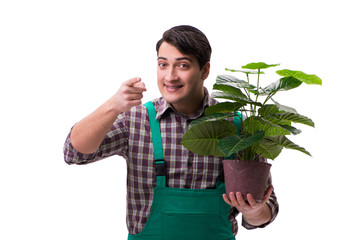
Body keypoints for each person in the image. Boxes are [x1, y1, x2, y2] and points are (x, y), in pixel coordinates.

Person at [64, 25, 279, 240]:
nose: (170, 76)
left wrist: (254, 212)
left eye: (182, 65)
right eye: (163, 65)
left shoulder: (237, 127)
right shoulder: (137, 120)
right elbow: (74, 153)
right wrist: (113, 106)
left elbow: (266, 211)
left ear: (204, 70)